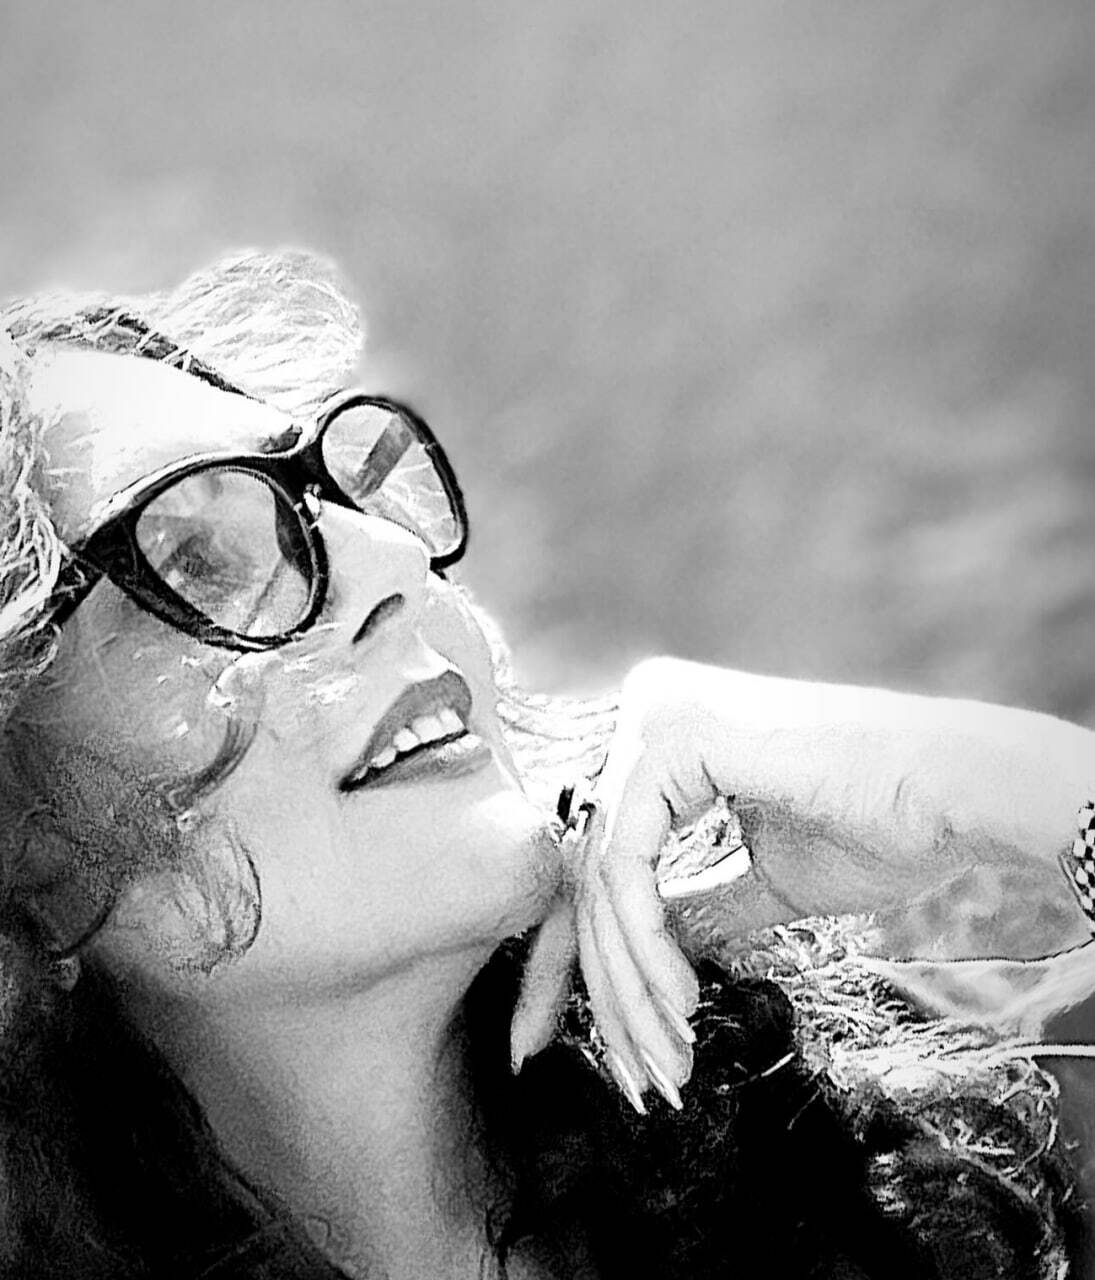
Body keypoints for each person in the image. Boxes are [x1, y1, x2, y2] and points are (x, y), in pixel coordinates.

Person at [0, 251, 1091, 1280]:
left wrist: (1008, 784)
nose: (391, 558)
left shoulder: (938, 1146)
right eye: (197, 556)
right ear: (22, 845)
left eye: (342, 497)